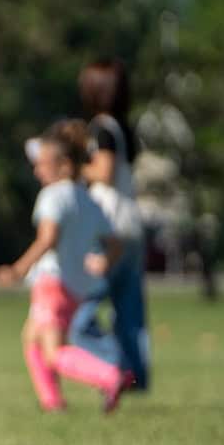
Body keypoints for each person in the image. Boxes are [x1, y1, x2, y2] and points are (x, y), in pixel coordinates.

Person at [0, 120, 134, 413]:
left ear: (65, 165)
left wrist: (18, 270)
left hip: (51, 282)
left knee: (53, 351)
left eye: (43, 164)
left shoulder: (53, 196)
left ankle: (110, 376)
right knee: (31, 338)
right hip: (76, 287)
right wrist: (103, 262)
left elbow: (48, 239)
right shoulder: (88, 199)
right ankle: (52, 401)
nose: (37, 170)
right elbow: (117, 244)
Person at [72, 59, 150, 391]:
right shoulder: (124, 128)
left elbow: (102, 174)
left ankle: (117, 366)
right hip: (132, 223)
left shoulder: (102, 128)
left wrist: (73, 168)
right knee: (130, 312)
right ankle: (137, 379)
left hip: (109, 227)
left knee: (83, 312)